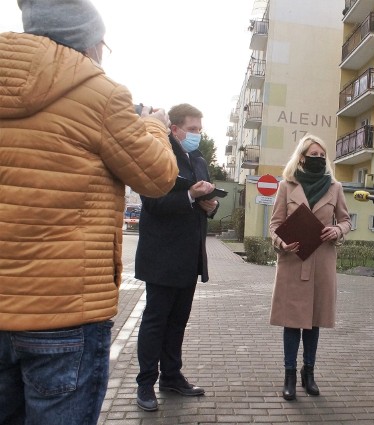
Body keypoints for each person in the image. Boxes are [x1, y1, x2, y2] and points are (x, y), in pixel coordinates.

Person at [0, 0, 179, 423]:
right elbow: (157, 177)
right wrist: (154, 125)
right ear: (88, 42)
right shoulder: (100, 95)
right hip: (63, 313)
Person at [134, 103, 220, 411]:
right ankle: (145, 384)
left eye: (200, 129)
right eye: (193, 129)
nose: (197, 135)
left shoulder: (197, 159)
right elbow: (154, 203)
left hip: (189, 256)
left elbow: (204, 200)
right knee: (155, 321)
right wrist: (190, 196)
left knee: (178, 322)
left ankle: (171, 377)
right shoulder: (160, 155)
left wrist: (211, 205)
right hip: (161, 257)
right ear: (175, 129)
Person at [269, 135, 351, 401]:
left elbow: (347, 220)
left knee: (313, 322)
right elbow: (274, 225)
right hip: (293, 262)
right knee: (292, 323)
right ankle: (289, 375)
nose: (317, 158)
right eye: (312, 154)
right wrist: (281, 241)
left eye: (321, 154)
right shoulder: (286, 186)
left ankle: (309, 374)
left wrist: (337, 230)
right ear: (301, 157)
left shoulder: (335, 187)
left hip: (321, 264)